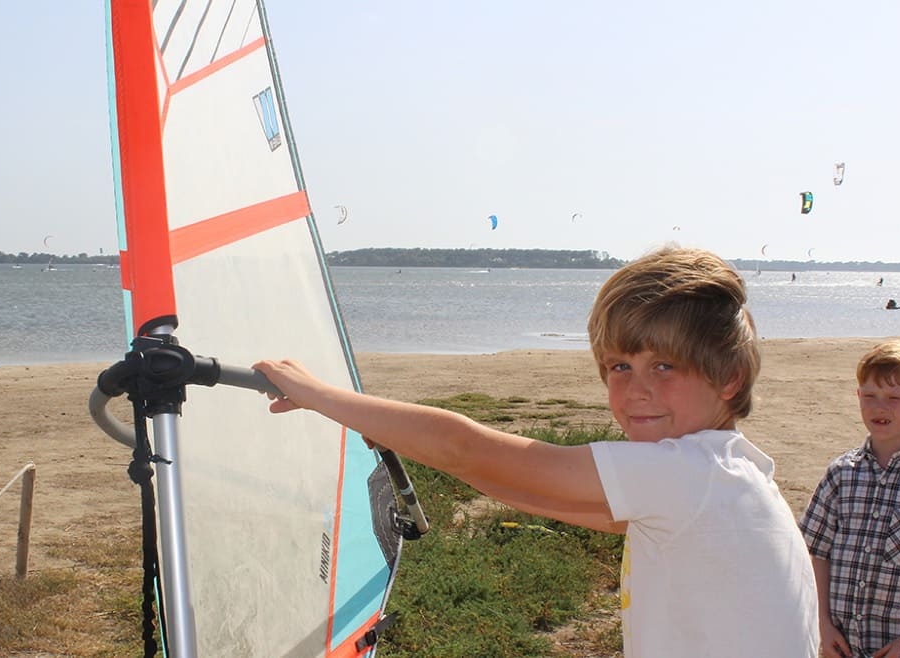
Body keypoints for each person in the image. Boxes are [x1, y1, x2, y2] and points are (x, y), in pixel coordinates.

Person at [255, 246, 819, 657]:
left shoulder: (688, 474)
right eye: (620, 367)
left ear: (730, 379)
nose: (637, 389)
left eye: (664, 366)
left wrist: (321, 396)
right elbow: (530, 489)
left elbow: (466, 449)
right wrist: (409, 440)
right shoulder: (731, 475)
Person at [799, 339, 900, 658]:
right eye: (869, 395)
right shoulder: (841, 474)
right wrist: (822, 624)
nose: (879, 407)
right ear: (858, 396)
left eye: (894, 397)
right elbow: (814, 552)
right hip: (839, 645)